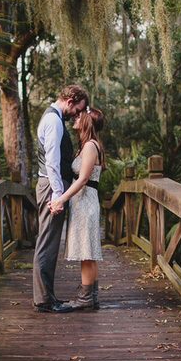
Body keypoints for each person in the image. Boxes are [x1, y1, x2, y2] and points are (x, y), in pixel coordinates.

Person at [32, 84, 89, 313]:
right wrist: (58, 197)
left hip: (50, 186)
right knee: (47, 243)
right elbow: (52, 164)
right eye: (78, 109)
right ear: (70, 100)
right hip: (51, 187)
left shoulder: (53, 118)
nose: (78, 114)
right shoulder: (54, 122)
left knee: (49, 242)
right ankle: (44, 300)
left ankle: (46, 296)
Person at [48, 107, 105, 310]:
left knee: (86, 253)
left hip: (86, 202)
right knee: (87, 252)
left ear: (88, 121)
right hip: (82, 202)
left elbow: (82, 180)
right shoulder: (86, 146)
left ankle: (85, 299)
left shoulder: (90, 146)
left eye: (80, 115)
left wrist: (59, 200)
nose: (76, 116)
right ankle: (92, 297)